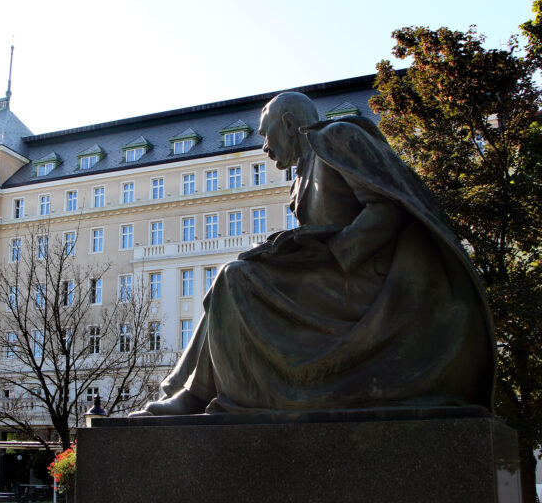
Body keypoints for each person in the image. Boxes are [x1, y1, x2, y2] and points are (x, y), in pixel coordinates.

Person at [133, 92, 495, 416]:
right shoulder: (303, 173)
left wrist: (333, 252)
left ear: (289, 124)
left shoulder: (336, 137)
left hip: (365, 283)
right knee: (234, 276)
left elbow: (386, 207)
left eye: (265, 133)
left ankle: (194, 395)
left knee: (232, 278)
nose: (264, 147)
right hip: (335, 278)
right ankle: (188, 390)